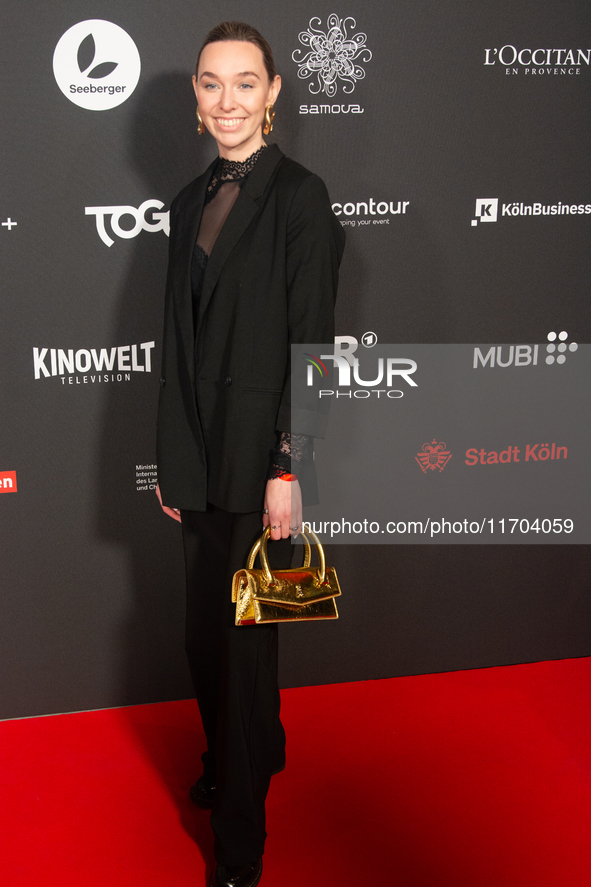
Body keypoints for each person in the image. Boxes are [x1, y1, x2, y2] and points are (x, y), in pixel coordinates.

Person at [155, 21, 345, 887]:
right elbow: (176, 344)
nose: (225, 100)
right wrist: (169, 460)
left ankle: (240, 844)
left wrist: (288, 465)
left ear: (272, 94)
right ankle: (247, 755)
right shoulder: (188, 201)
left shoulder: (301, 197)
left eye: (243, 83)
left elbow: (312, 345)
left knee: (244, 648)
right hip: (196, 461)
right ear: (195, 99)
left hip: (261, 463)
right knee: (203, 638)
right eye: (209, 83)